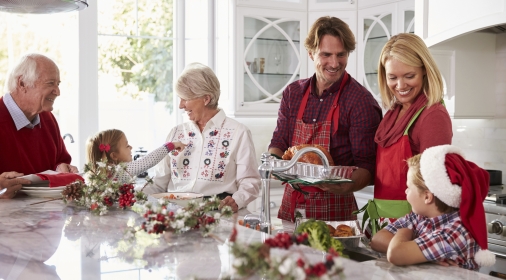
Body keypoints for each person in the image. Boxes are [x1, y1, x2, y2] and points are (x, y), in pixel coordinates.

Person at [268, 16, 382, 222]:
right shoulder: (293, 93)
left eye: (341, 54)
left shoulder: (360, 101)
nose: (334, 63)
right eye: (326, 54)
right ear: (311, 54)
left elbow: (368, 167)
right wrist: (276, 166)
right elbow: (279, 143)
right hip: (291, 207)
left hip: (335, 212)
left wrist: (341, 185)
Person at [359, 33, 453, 236]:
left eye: (409, 76)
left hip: (413, 232)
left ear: (425, 72)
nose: (400, 86)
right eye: (393, 77)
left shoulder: (432, 116)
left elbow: (435, 190)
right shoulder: (393, 113)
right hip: (384, 226)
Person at [143, 62, 261, 213]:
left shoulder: (238, 132)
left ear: (206, 99)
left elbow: (250, 181)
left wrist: (237, 200)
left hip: (219, 215)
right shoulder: (176, 133)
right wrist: (130, 193)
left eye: (185, 98)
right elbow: (159, 183)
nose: (181, 105)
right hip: (176, 216)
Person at [370, 145, 495, 270]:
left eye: (409, 187)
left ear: (427, 197)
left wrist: (404, 234)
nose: (406, 191)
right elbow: (376, 240)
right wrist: (423, 255)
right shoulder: (419, 216)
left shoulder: (455, 232)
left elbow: (395, 254)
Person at [0, 53, 78, 184]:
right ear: (22, 83)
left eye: (58, 84)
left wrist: (60, 168)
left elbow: (60, 160)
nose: (58, 92)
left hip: (43, 204)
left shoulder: (48, 119)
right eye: (50, 83)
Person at [86, 129, 186, 183]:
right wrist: (171, 145)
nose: (131, 147)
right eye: (126, 145)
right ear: (114, 156)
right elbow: (149, 160)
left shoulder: (93, 175)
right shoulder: (119, 171)